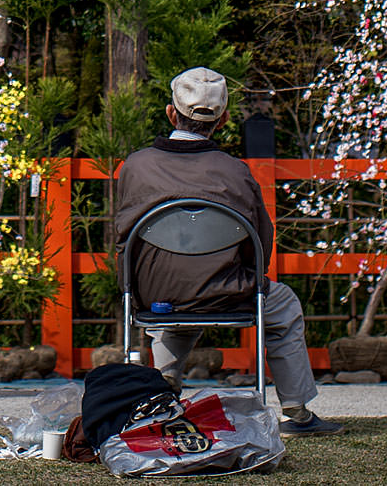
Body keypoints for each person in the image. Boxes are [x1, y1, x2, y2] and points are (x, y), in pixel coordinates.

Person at [111, 67, 339, 436]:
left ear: (172, 113)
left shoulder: (136, 166)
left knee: (173, 300)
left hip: (154, 295)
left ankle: (165, 387)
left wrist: (138, 283)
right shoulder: (235, 171)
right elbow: (261, 243)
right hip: (225, 289)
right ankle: (295, 411)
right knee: (281, 304)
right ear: (226, 118)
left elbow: (123, 237)